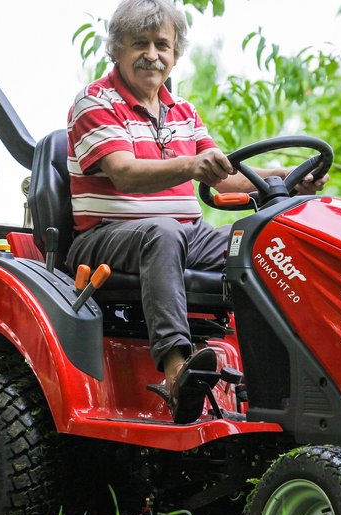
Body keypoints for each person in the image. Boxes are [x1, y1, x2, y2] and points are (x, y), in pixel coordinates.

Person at [65, 0, 326, 423]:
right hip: (105, 238)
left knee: (266, 244)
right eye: (140, 44)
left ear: (175, 53)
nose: (152, 54)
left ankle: (287, 378)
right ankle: (176, 371)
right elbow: (125, 174)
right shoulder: (95, 102)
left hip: (185, 233)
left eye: (162, 45)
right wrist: (190, 165)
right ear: (116, 49)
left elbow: (223, 175)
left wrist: (287, 177)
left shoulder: (182, 111)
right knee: (162, 234)